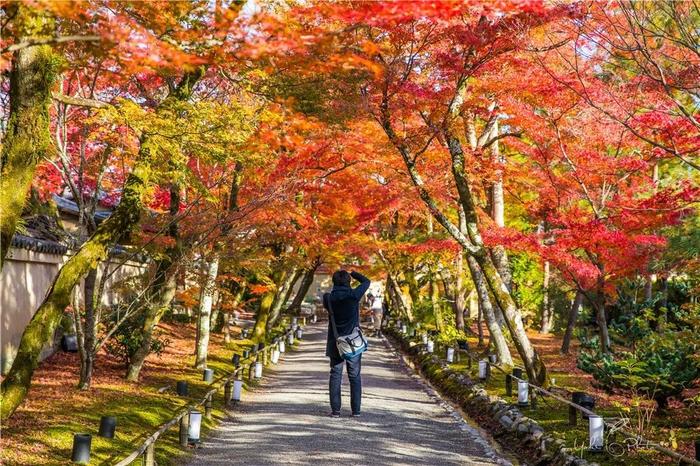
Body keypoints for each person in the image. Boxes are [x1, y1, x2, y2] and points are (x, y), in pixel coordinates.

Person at [323, 269, 370, 418]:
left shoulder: (328, 298)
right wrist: (354, 272)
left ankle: (335, 411)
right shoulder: (353, 296)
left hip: (335, 341)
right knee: (354, 376)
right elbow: (367, 281)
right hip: (353, 342)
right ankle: (356, 411)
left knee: (335, 375)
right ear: (349, 282)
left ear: (333, 282)